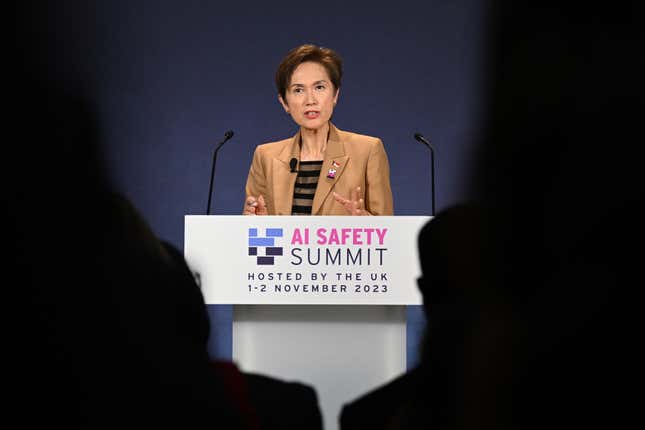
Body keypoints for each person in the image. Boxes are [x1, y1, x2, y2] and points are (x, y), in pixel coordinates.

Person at [243, 44, 393, 216]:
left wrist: (363, 221)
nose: (310, 100)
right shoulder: (265, 157)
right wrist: (255, 220)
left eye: (319, 87)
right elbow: (253, 232)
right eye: (298, 90)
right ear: (284, 102)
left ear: (335, 94)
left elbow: (387, 231)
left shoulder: (368, 151)